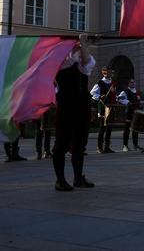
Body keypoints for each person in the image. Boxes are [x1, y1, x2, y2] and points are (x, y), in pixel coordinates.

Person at [53, 34, 95, 191]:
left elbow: (86, 62)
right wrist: (77, 44)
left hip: (82, 105)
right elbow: (68, 60)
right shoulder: (61, 61)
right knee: (61, 143)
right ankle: (60, 179)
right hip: (66, 105)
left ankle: (78, 178)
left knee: (79, 143)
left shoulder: (83, 62)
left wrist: (83, 43)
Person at [90, 67, 116, 153]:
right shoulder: (99, 83)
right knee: (102, 127)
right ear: (104, 73)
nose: (109, 74)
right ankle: (99, 147)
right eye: (107, 72)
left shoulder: (112, 83)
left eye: (110, 72)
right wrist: (100, 96)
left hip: (111, 107)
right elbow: (92, 93)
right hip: (102, 107)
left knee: (109, 127)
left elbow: (113, 94)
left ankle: (107, 147)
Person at [118, 79, 142, 151]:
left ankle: (135, 145)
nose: (133, 83)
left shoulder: (137, 92)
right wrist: (127, 102)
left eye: (134, 82)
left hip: (136, 113)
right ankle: (125, 146)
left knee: (135, 129)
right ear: (128, 84)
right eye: (131, 82)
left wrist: (142, 103)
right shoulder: (125, 92)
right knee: (127, 130)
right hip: (128, 112)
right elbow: (119, 98)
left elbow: (139, 101)